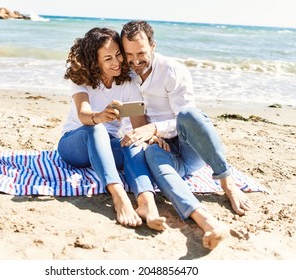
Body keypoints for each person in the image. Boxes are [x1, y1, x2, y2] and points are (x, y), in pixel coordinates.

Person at [120, 20, 253, 249]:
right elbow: (138, 119)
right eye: (128, 54)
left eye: (141, 52)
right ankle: (207, 221)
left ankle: (227, 182)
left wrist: (155, 128)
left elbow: (187, 122)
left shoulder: (172, 70)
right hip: (163, 149)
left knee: (190, 114)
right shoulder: (128, 76)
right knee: (151, 153)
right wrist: (150, 135)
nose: (135, 60)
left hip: (190, 147)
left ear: (152, 45)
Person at [57, 27, 167, 231]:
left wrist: (150, 134)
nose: (116, 62)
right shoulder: (81, 80)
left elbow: (138, 127)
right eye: (108, 58)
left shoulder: (128, 83)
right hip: (74, 145)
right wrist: (99, 116)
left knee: (132, 141)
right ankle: (119, 197)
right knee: (96, 128)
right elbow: (83, 114)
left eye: (118, 55)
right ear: (95, 60)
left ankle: (146, 202)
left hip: (106, 147)